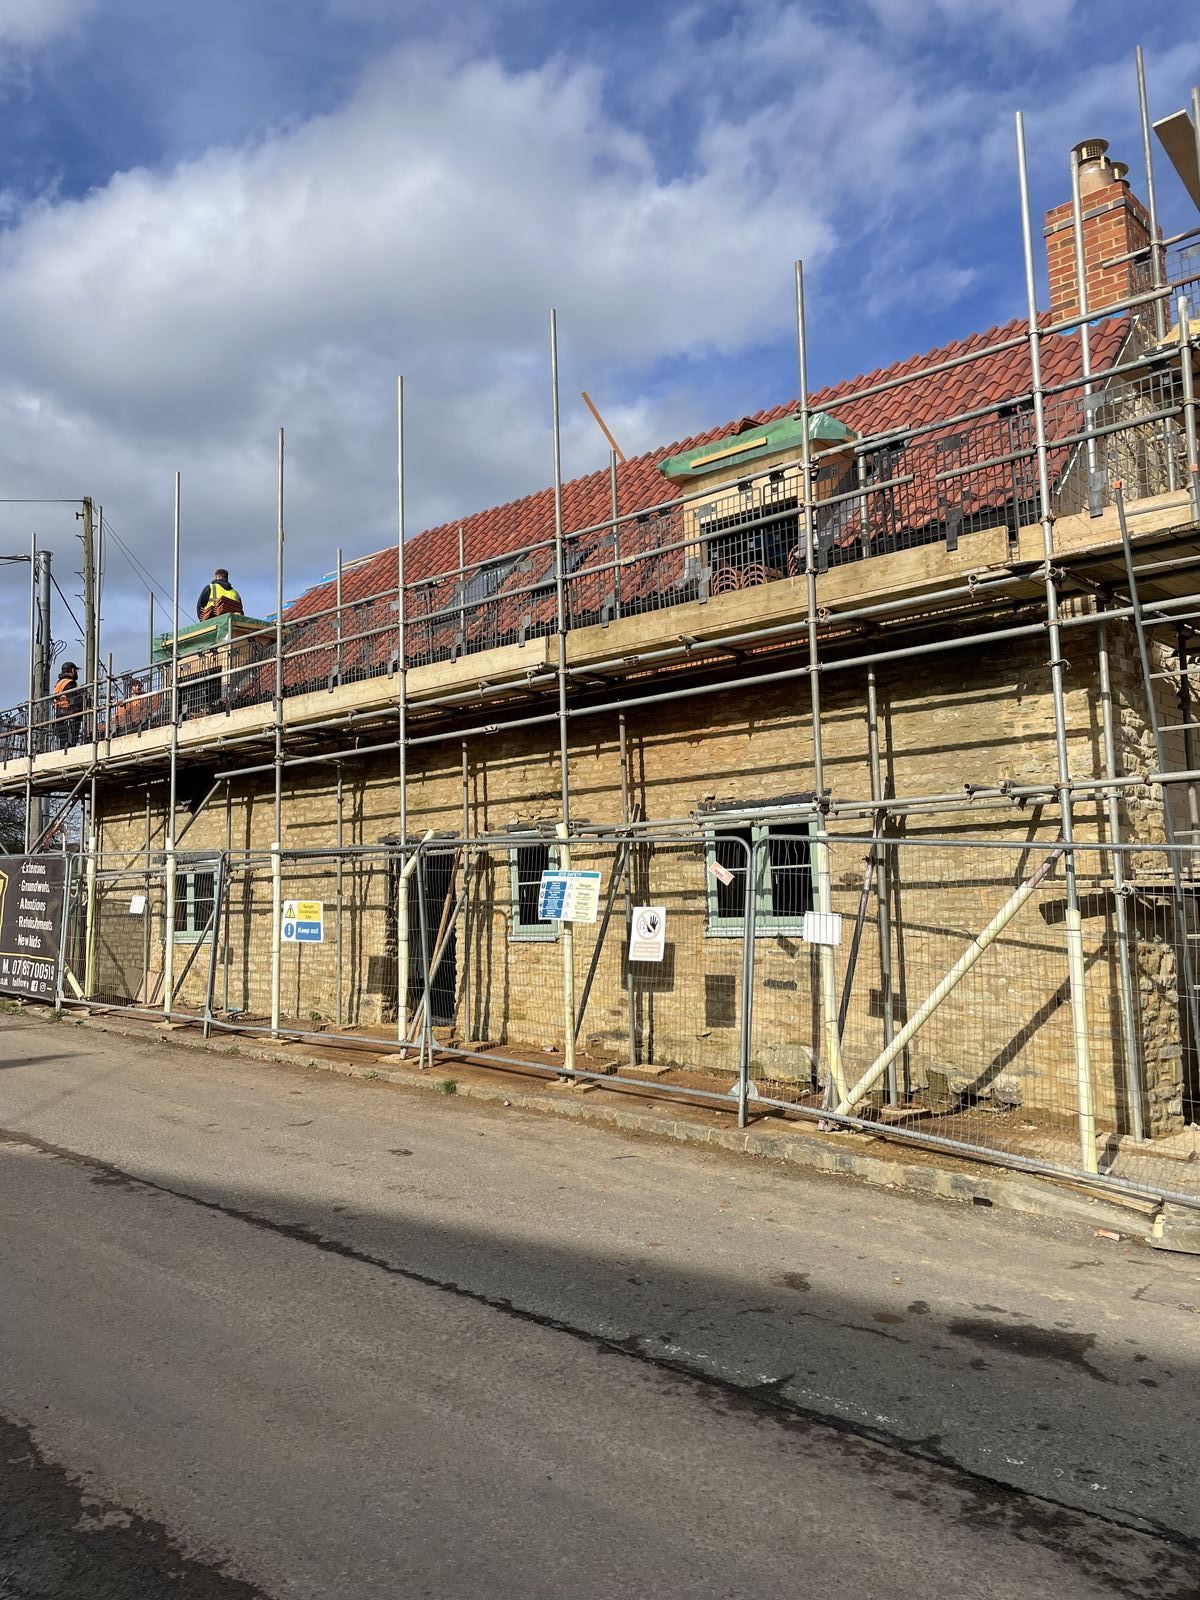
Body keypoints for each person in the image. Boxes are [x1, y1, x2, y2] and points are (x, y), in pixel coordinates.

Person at [52, 661, 84, 749]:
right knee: (71, 743)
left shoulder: (58, 684)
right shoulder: (70, 683)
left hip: (59, 717)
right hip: (70, 717)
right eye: (75, 670)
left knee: (63, 743)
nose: (76, 673)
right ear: (72, 670)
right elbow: (74, 700)